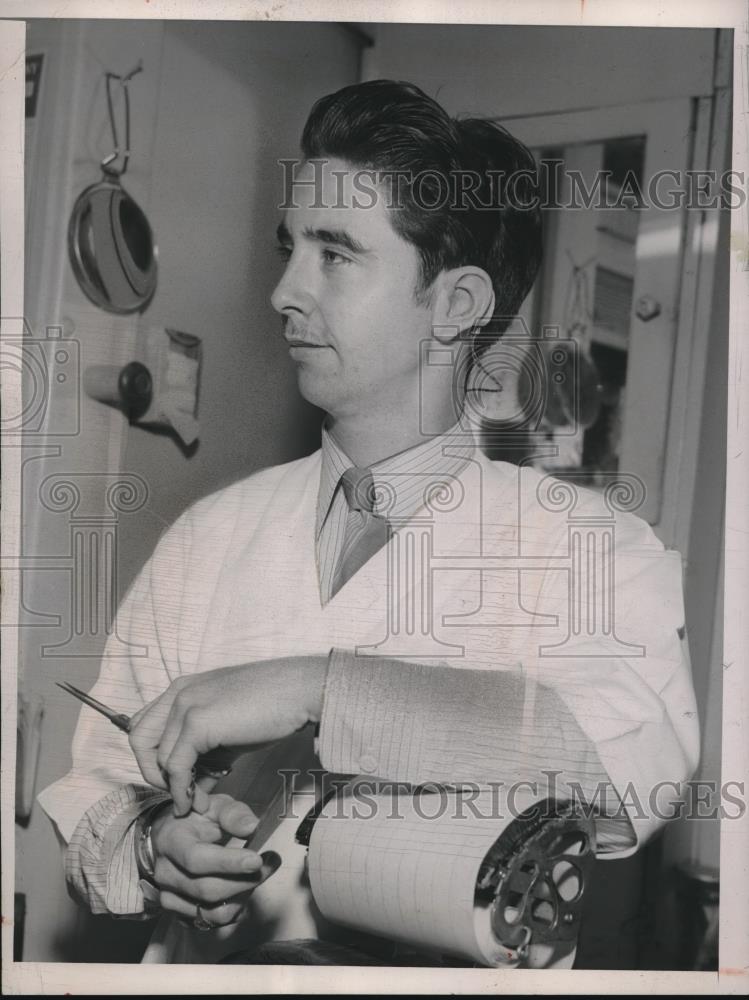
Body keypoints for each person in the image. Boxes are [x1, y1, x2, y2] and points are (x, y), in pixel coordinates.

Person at [38, 80, 699, 966]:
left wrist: (321, 686)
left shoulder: (590, 549)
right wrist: (157, 851)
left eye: (334, 254)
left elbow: (627, 780)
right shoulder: (210, 535)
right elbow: (97, 782)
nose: (282, 291)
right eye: (290, 248)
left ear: (456, 305)